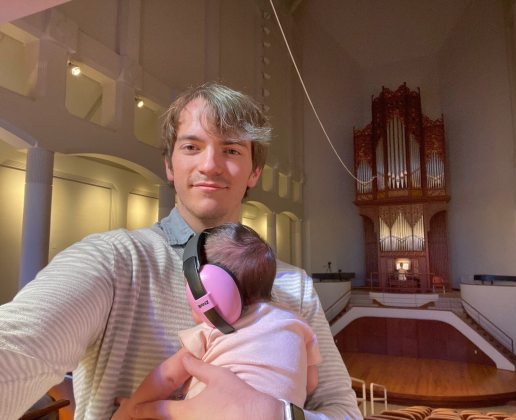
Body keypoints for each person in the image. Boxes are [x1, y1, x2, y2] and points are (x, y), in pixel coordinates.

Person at [0, 82, 361, 419]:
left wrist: (277, 414)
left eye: (231, 150)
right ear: (170, 166)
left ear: (254, 173)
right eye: (191, 147)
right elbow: (17, 349)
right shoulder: (113, 258)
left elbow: (342, 409)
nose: (210, 165)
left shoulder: (295, 285)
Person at [113, 223, 321, 419]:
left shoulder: (211, 331)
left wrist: (133, 407)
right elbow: (310, 384)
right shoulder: (298, 325)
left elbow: (167, 377)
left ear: (210, 293)